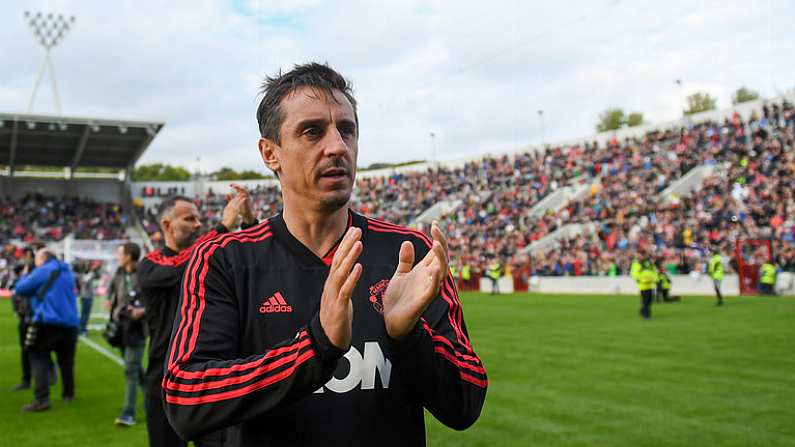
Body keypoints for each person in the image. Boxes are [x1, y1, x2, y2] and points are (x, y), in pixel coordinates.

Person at [162, 63, 487, 446]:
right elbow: (187, 398)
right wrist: (316, 346)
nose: (336, 146)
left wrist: (409, 337)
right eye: (312, 131)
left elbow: (466, 402)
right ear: (270, 153)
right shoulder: (225, 259)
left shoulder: (409, 254)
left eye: (346, 130)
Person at [137, 194, 252, 447]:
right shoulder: (149, 265)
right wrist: (222, 228)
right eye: (189, 219)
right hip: (163, 384)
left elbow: (252, 260)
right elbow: (185, 266)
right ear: (166, 224)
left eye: (199, 218)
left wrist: (250, 220)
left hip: (210, 380)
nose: (198, 224)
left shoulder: (211, 259)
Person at [14, 248, 80, 412]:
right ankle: (68, 394)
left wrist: (25, 274)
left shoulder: (44, 270)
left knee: (38, 357)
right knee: (66, 361)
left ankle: (41, 399)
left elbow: (21, 289)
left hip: (48, 321)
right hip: (70, 323)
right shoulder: (67, 271)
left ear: (43, 258)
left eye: (36, 258)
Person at [108, 242, 146, 427]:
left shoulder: (144, 273)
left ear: (129, 255)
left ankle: (128, 413)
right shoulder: (119, 273)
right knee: (135, 369)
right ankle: (154, 402)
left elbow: (154, 298)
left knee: (130, 369)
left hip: (137, 327)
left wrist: (144, 310)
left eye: (120, 253)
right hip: (121, 325)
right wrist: (112, 306)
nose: (118, 256)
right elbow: (112, 293)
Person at [79, 262, 99, 336]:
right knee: (85, 314)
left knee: (85, 314)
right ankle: (82, 330)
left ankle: (82, 328)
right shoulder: (86, 275)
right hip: (86, 297)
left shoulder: (86, 275)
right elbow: (85, 281)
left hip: (86, 296)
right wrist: (92, 271)